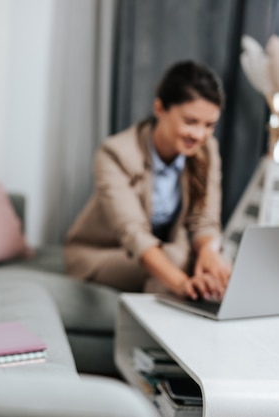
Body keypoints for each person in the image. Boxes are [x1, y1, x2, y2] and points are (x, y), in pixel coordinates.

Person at [64, 60, 232, 301]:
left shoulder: (207, 150)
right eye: (190, 122)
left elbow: (205, 220)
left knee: (221, 263)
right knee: (176, 259)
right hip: (102, 253)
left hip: (166, 248)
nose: (199, 135)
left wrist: (208, 251)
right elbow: (135, 235)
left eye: (209, 125)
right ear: (159, 108)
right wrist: (185, 284)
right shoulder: (115, 153)